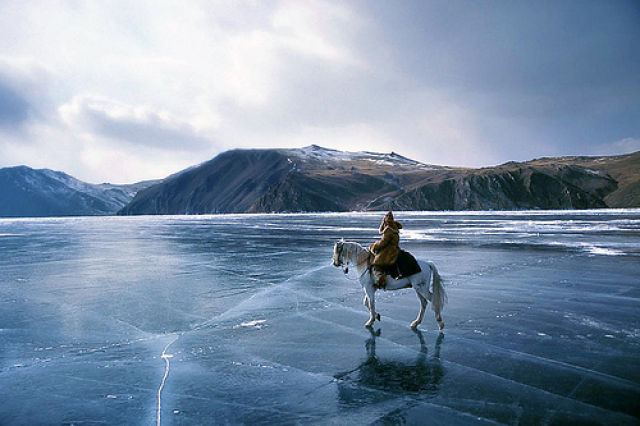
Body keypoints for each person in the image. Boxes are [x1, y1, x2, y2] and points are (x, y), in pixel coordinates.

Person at [369, 211, 402, 289]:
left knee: (378, 262)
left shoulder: (388, 229)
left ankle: (381, 280)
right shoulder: (394, 226)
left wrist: (374, 246)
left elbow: (384, 242)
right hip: (393, 247)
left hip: (390, 249)